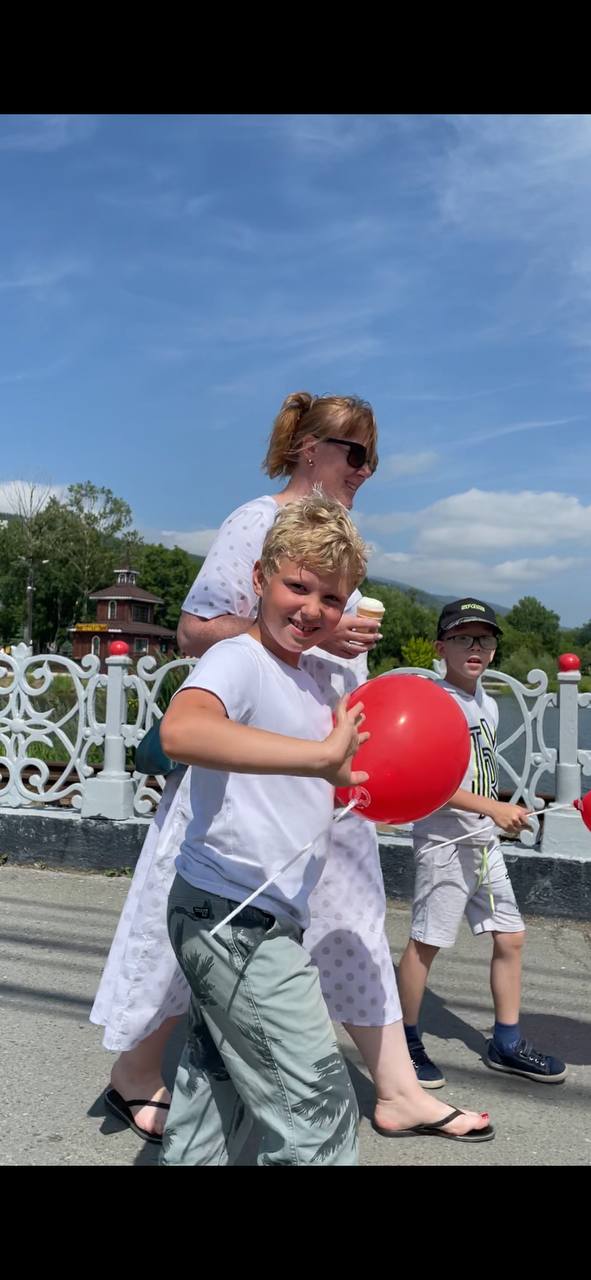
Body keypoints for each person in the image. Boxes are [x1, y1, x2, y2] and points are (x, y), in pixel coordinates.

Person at [92, 392, 492, 1145]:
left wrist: (339, 649)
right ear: (311, 449)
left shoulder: (339, 539)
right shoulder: (258, 520)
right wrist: (320, 636)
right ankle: (137, 1070)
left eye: (372, 457)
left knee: (351, 922)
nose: (367, 470)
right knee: (225, 920)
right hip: (262, 767)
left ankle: (396, 1089)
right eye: (356, 453)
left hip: (331, 767)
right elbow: (194, 630)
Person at [157, 492, 373, 1164]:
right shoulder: (239, 659)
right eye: (297, 586)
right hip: (234, 917)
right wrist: (318, 759)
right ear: (259, 578)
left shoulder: (311, 679)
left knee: (212, 1096)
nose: (311, 609)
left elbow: (316, 774)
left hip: (251, 914)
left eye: (331, 598)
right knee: (319, 1119)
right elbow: (181, 731)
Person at [397, 598, 567, 1088]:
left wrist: (497, 812)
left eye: (485, 639)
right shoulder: (434, 702)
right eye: (462, 638)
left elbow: (478, 771)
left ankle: (506, 1043)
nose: (475, 647)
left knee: (510, 936)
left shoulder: (486, 704)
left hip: (483, 840)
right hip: (445, 842)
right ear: (440, 647)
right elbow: (426, 781)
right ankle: (403, 1043)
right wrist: (492, 808)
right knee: (426, 942)